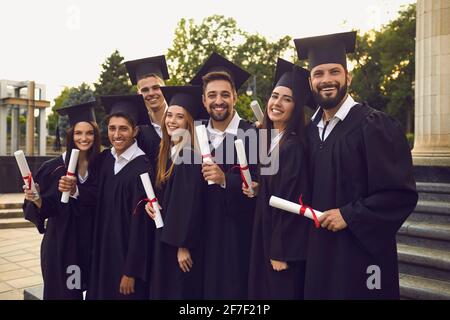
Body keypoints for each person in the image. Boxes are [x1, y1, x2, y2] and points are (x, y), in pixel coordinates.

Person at [293, 31, 418, 299]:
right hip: (319, 253)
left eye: (334, 72)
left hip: (361, 256)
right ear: (310, 81)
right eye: (319, 74)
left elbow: (398, 195)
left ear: (348, 77)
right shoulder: (311, 131)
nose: (326, 80)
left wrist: (349, 215)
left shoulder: (374, 125)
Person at [191, 52, 258, 299]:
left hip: (237, 237)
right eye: (212, 95)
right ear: (203, 99)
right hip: (200, 236)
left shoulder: (252, 134)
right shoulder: (194, 136)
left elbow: (261, 185)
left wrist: (225, 180)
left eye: (225, 94)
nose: (218, 101)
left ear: (235, 97)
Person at [245, 58, 313, 299]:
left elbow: (291, 201)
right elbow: (274, 188)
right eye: (275, 96)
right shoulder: (273, 140)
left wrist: (280, 251)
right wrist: (258, 187)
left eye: (287, 99)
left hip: (281, 246)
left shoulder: (292, 146)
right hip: (266, 235)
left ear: (297, 107)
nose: (277, 103)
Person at [23, 101, 100, 299]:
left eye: (89, 133)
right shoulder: (52, 169)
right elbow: (45, 209)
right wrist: (37, 199)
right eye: (78, 133)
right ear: (70, 135)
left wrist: (76, 190)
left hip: (93, 242)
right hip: (63, 244)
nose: (84, 138)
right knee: (64, 294)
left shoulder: (102, 165)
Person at [87, 94, 155, 300]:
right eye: (112, 128)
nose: (116, 134)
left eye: (123, 128)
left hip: (125, 261)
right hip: (102, 255)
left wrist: (131, 271)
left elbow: (142, 227)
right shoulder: (104, 161)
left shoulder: (143, 168)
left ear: (135, 131)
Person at [146, 85, 208, 299]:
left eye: (179, 117)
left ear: (188, 123)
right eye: (169, 115)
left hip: (178, 245)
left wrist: (183, 245)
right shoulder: (168, 152)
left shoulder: (188, 155)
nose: (171, 121)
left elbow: (188, 205)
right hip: (165, 239)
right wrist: (150, 203)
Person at [125, 55, 169, 167]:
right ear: (138, 94)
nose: (151, 93)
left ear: (165, 87)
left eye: (156, 87)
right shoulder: (138, 130)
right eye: (145, 90)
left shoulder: (184, 119)